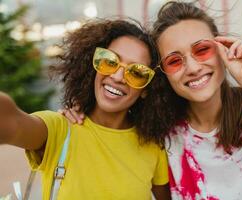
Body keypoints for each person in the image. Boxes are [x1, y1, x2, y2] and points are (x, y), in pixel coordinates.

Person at [141, 1, 242, 199]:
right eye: (174, 61)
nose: (192, 68)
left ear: (221, 49)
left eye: (201, 50)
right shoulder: (163, 133)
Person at [0, 18, 171, 200]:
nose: (118, 77)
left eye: (137, 72)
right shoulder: (60, 128)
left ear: (146, 89)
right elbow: (12, 123)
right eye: (109, 61)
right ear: (93, 65)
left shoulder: (152, 145)